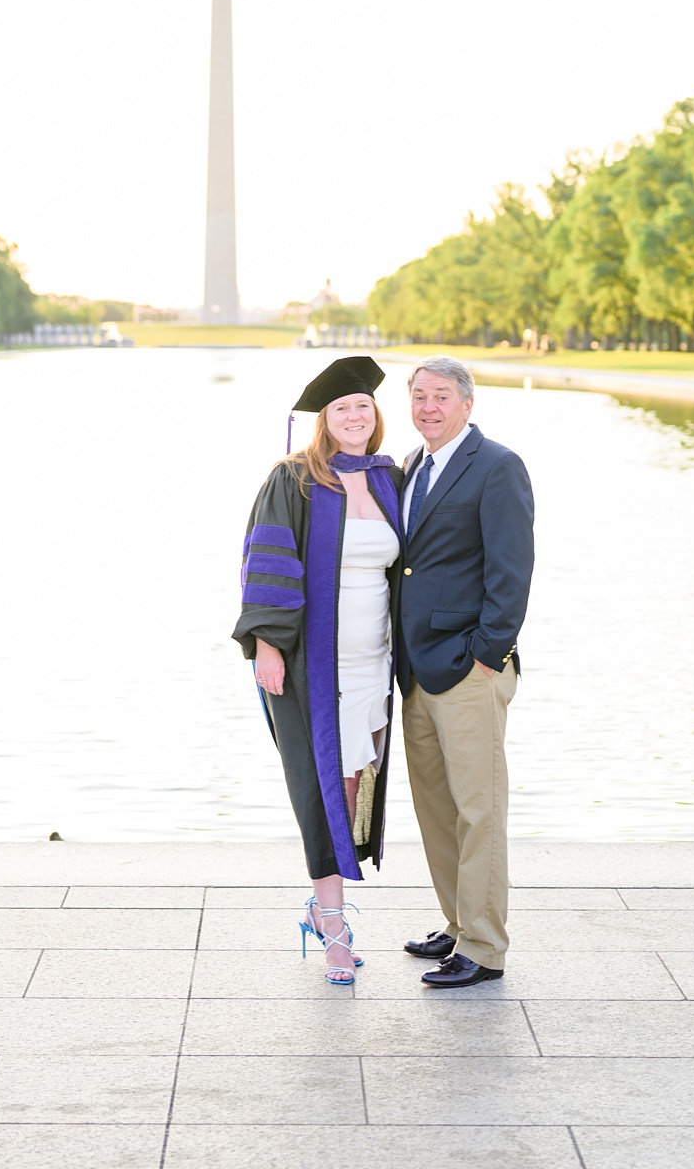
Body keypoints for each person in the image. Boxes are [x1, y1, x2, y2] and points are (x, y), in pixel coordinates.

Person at [230, 355, 405, 986]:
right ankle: (333, 925)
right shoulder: (296, 479)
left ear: (374, 415)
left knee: (352, 780)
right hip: (308, 662)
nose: (354, 416)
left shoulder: (389, 479)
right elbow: (265, 559)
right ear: (324, 421)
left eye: (362, 406)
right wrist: (266, 645)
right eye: (341, 409)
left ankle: (319, 904)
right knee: (317, 783)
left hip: (371, 663)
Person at [392, 355, 535, 990]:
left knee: (480, 809)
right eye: (419, 395)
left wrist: (486, 651)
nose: (428, 407)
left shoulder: (498, 467)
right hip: (417, 667)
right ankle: (456, 924)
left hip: (469, 668)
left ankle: (485, 946)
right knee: (437, 807)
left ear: (467, 403)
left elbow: (512, 572)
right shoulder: (412, 465)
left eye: (441, 396)